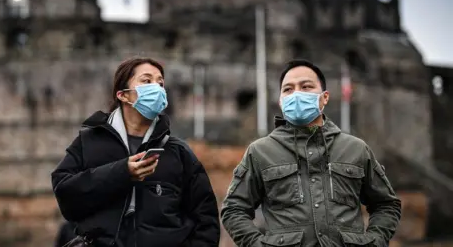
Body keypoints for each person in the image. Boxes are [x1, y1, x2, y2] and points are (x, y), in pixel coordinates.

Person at [221, 60, 401, 247]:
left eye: (306, 86)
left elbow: (386, 205)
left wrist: (375, 241)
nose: (297, 94)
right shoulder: (259, 152)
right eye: (288, 89)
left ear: (324, 97)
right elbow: (234, 209)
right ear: (281, 101)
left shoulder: (356, 149)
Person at [51, 57, 220, 247]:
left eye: (160, 83)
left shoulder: (177, 152)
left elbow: (206, 220)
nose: (156, 88)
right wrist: (122, 172)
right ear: (123, 95)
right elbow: (65, 194)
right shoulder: (89, 142)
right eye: (147, 81)